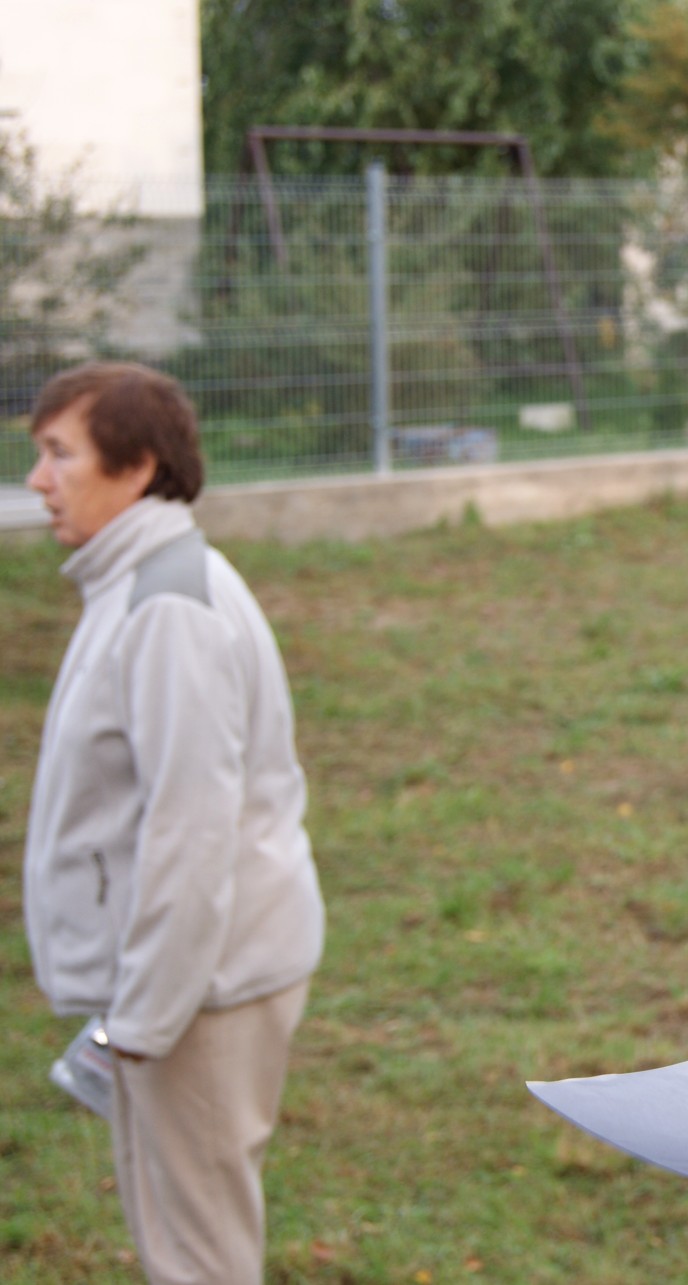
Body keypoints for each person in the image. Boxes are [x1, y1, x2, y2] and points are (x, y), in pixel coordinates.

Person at [21, 362, 325, 1284]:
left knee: (199, 1257)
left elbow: (192, 837)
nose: (38, 479)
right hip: (182, 984)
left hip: (200, 991)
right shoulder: (141, 580)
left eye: (58, 454)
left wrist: (143, 1020)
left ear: (139, 464)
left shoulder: (168, 610)